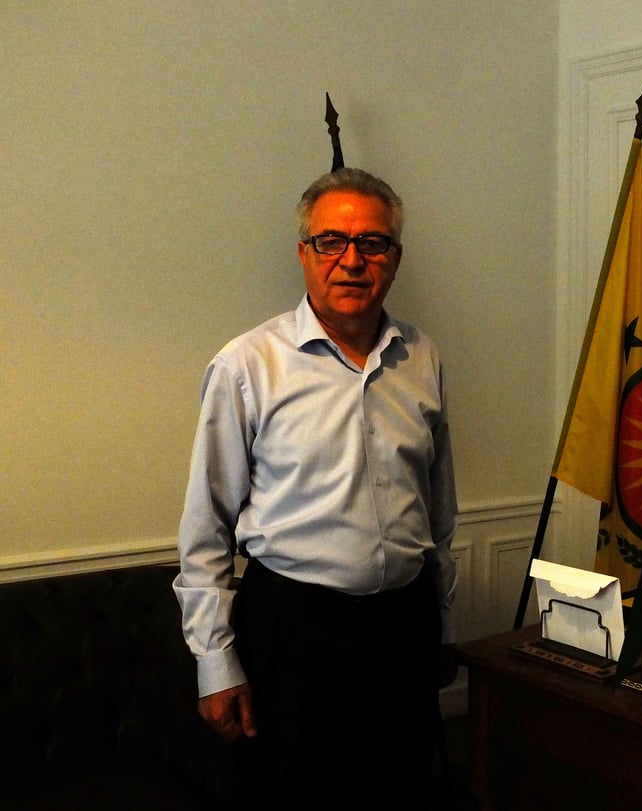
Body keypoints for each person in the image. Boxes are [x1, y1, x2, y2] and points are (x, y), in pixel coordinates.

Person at [174, 167, 459, 807]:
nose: (352, 261)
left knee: (403, 793)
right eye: (331, 242)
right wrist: (216, 664)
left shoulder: (423, 358)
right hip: (293, 634)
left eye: (372, 244)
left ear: (395, 258)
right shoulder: (247, 365)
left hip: (402, 627)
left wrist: (440, 629)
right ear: (305, 253)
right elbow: (206, 529)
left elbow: (439, 513)